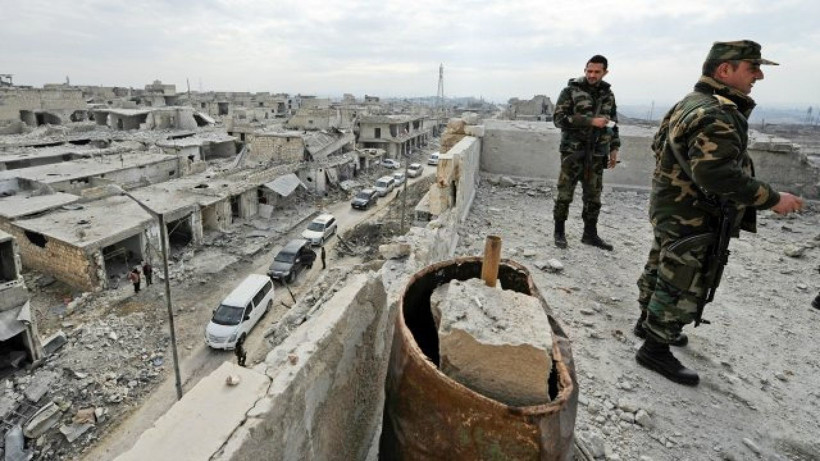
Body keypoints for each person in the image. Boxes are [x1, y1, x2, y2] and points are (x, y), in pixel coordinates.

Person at [634, 40, 804, 386]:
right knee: (683, 277)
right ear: (725, 70)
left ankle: (647, 323)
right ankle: (655, 347)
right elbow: (716, 174)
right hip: (694, 212)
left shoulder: (690, 102)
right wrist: (772, 199)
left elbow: (659, 145)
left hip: (671, 205)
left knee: (663, 262)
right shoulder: (718, 113)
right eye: (752, 68)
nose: (758, 76)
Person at [552, 54, 621, 251]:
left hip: (597, 154)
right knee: (565, 194)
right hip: (573, 153)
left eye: (597, 72)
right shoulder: (570, 91)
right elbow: (558, 119)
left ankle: (590, 235)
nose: (592, 75)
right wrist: (590, 121)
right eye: (589, 71)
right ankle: (559, 232)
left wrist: (614, 148)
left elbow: (613, 123)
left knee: (594, 197)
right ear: (585, 70)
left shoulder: (608, 95)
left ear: (605, 72)